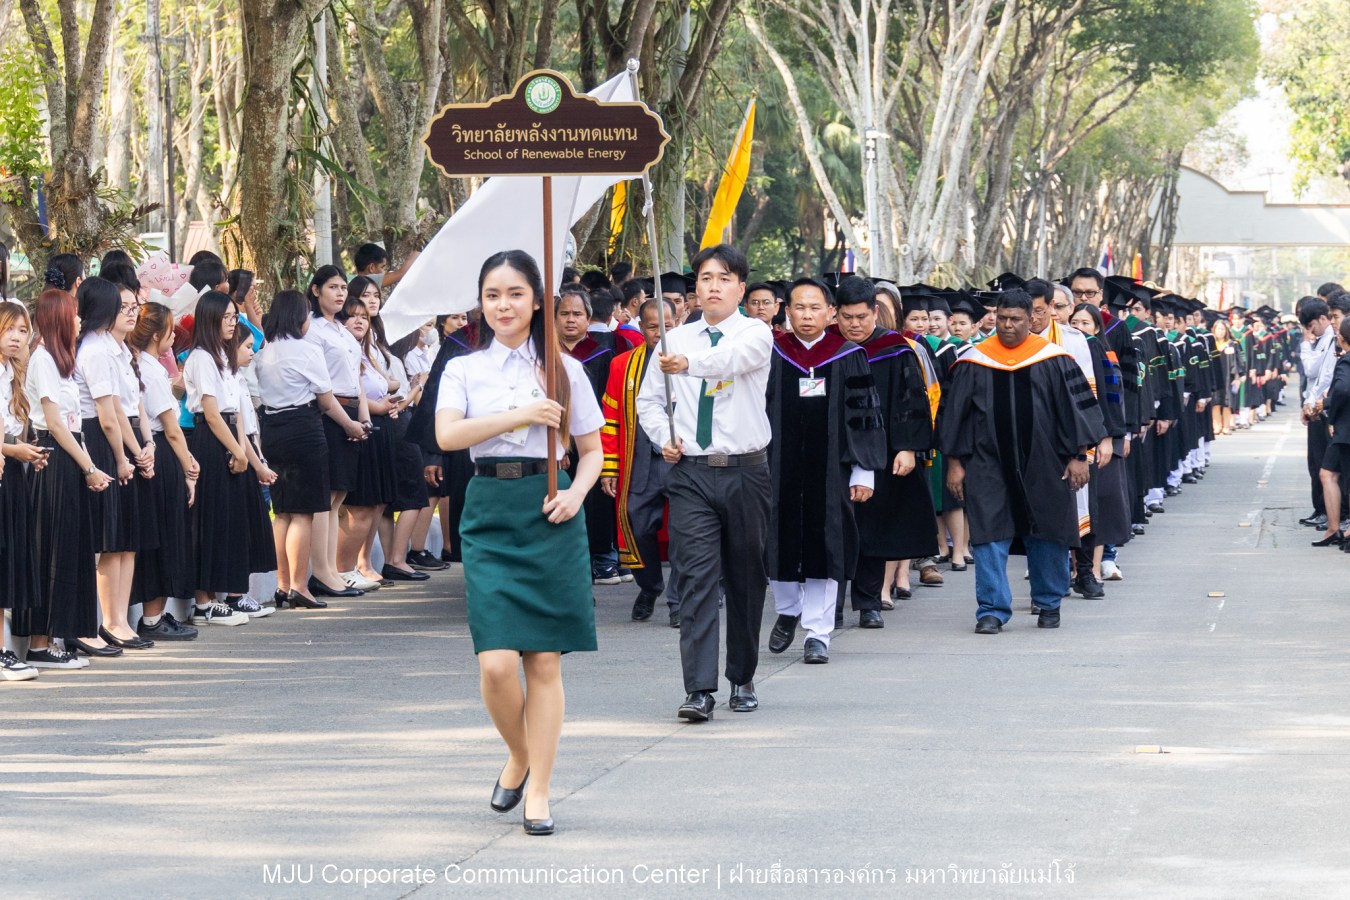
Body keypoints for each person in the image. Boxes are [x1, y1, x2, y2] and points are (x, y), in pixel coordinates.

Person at [436, 249, 603, 837]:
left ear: (537, 302)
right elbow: (448, 435)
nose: (502, 305)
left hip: (549, 508)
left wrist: (577, 494)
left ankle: (540, 789)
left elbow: (591, 451)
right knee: (497, 663)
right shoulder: (463, 368)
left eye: (514, 294)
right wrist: (521, 414)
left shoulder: (565, 369)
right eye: (492, 295)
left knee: (544, 661)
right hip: (489, 510)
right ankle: (520, 751)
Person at [636, 243, 773, 720]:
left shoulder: (756, 333)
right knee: (695, 578)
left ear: (740, 287)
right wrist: (664, 437)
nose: (714, 286)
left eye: (724, 278)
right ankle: (698, 689)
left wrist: (688, 364)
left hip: (745, 471)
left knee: (745, 577)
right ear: (695, 288)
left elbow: (733, 360)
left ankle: (743, 676)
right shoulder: (673, 339)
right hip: (691, 474)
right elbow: (649, 402)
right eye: (706, 278)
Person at [937, 290, 1105, 634]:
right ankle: (992, 610)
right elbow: (954, 417)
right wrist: (954, 463)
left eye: (1016, 319)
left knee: (1048, 532)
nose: (1008, 325)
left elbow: (1075, 413)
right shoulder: (974, 360)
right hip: (987, 462)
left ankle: (1048, 602)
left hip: (1045, 462)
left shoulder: (1054, 359)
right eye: (1002, 318)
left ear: (1032, 320)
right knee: (987, 535)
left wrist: (1079, 457)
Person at [762, 278, 885, 664]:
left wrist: (864, 470)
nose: (807, 315)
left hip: (831, 470)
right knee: (777, 540)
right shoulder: (772, 352)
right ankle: (788, 609)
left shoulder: (847, 355)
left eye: (815, 307)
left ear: (830, 312)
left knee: (825, 546)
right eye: (799, 307)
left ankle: (818, 633)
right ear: (787, 312)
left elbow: (865, 415)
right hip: (776, 465)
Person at [833, 276, 938, 627]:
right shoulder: (828, 347)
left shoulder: (895, 348)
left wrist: (907, 447)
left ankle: (869, 602)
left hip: (883, 450)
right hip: (834, 452)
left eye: (861, 317)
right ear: (835, 313)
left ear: (875, 311)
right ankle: (831, 607)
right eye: (847, 317)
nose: (854, 324)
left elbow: (911, 399)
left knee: (874, 525)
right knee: (834, 528)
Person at [256, 290, 364, 608]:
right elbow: (326, 400)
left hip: (272, 428)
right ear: (298, 317)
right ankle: (300, 587)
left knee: (282, 513)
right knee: (303, 514)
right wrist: (351, 425)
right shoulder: (306, 349)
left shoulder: (264, 351)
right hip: (303, 428)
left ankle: (282, 585)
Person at [75, 277, 157, 652]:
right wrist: (125, 457)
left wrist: (143, 447)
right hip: (101, 440)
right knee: (111, 539)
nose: (129, 312)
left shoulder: (115, 349)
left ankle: (120, 619)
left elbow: (127, 407)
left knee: (126, 539)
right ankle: (111, 620)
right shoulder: (95, 350)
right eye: (121, 306)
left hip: (121, 441)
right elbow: (108, 416)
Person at [601, 297, 683, 626]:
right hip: (640, 460)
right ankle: (649, 586)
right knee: (638, 525)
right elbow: (610, 419)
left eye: (667, 326)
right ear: (641, 327)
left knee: (685, 530)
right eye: (652, 327)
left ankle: (679, 601)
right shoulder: (622, 365)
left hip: (682, 460)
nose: (660, 333)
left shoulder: (694, 361)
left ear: (678, 323)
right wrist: (609, 467)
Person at [182, 291, 259, 625]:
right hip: (210, 438)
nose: (232, 323)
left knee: (228, 519)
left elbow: (234, 413)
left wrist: (243, 450)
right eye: (226, 317)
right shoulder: (201, 357)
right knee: (208, 518)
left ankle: (223, 594)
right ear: (211, 319)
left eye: (234, 317)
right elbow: (211, 413)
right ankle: (204, 601)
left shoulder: (224, 358)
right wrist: (237, 451)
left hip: (229, 435)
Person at [126, 302, 201, 640]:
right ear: (157, 335)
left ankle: (155, 616)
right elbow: (171, 428)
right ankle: (153, 618)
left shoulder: (140, 364)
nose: (174, 335)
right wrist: (189, 468)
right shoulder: (151, 369)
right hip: (162, 453)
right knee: (165, 535)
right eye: (170, 329)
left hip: (153, 451)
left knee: (160, 535)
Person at [305, 266, 370, 598]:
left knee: (339, 496)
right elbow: (321, 387)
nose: (340, 293)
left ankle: (331, 570)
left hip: (351, 412)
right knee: (326, 496)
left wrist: (362, 417)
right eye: (333, 287)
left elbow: (355, 377)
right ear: (316, 291)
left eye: (343, 287)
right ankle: (322, 572)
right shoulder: (312, 329)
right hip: (329, 414)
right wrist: (346, 422)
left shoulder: (342, 331)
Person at [0, 303, 44, 679]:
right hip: (6, 468)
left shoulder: (12, 374)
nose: (16, 337)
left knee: (7, 562)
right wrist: (15, 451)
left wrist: (26, 452)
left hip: (13, 473)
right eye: (9, 329)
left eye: (22, 330)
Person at [1298, 298, 1336, 530]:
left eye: (1311, 326)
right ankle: (1322, 510)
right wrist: (1308, 402)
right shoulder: (1324, 339)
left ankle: (1328, 512)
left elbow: (1314, 371)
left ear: (1323, 318)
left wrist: (1305, 344)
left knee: (1324, 464)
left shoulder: (1331, 340)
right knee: (1315, 462)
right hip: (1316, 405)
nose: (1310, 331)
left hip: (1325, 408)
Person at [1315, 317, 1350, 546]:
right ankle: (1334, 528)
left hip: (1345, 427)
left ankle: (1338, 529)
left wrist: (1330, 410)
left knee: (1332, 475)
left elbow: (1343, 389)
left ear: (1342, 339)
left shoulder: (1346, 361)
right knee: (1328, 473)